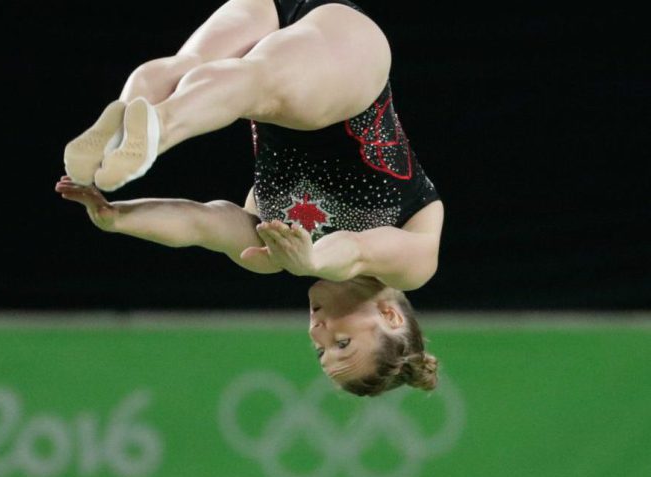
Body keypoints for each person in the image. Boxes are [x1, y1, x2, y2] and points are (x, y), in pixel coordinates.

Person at [58, 0, 444, 397]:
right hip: (350, 61)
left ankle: (127, 126)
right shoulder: (412, 267)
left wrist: (117, 217)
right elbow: (356, 250)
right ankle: (156, 129)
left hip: (270, 27)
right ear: (390, 316)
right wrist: (311, 261)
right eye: (342, 343)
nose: (317, 332)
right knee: (258, 85)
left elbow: (202, 223)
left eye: (320, 350)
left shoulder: (271, 253)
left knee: (182, 72)